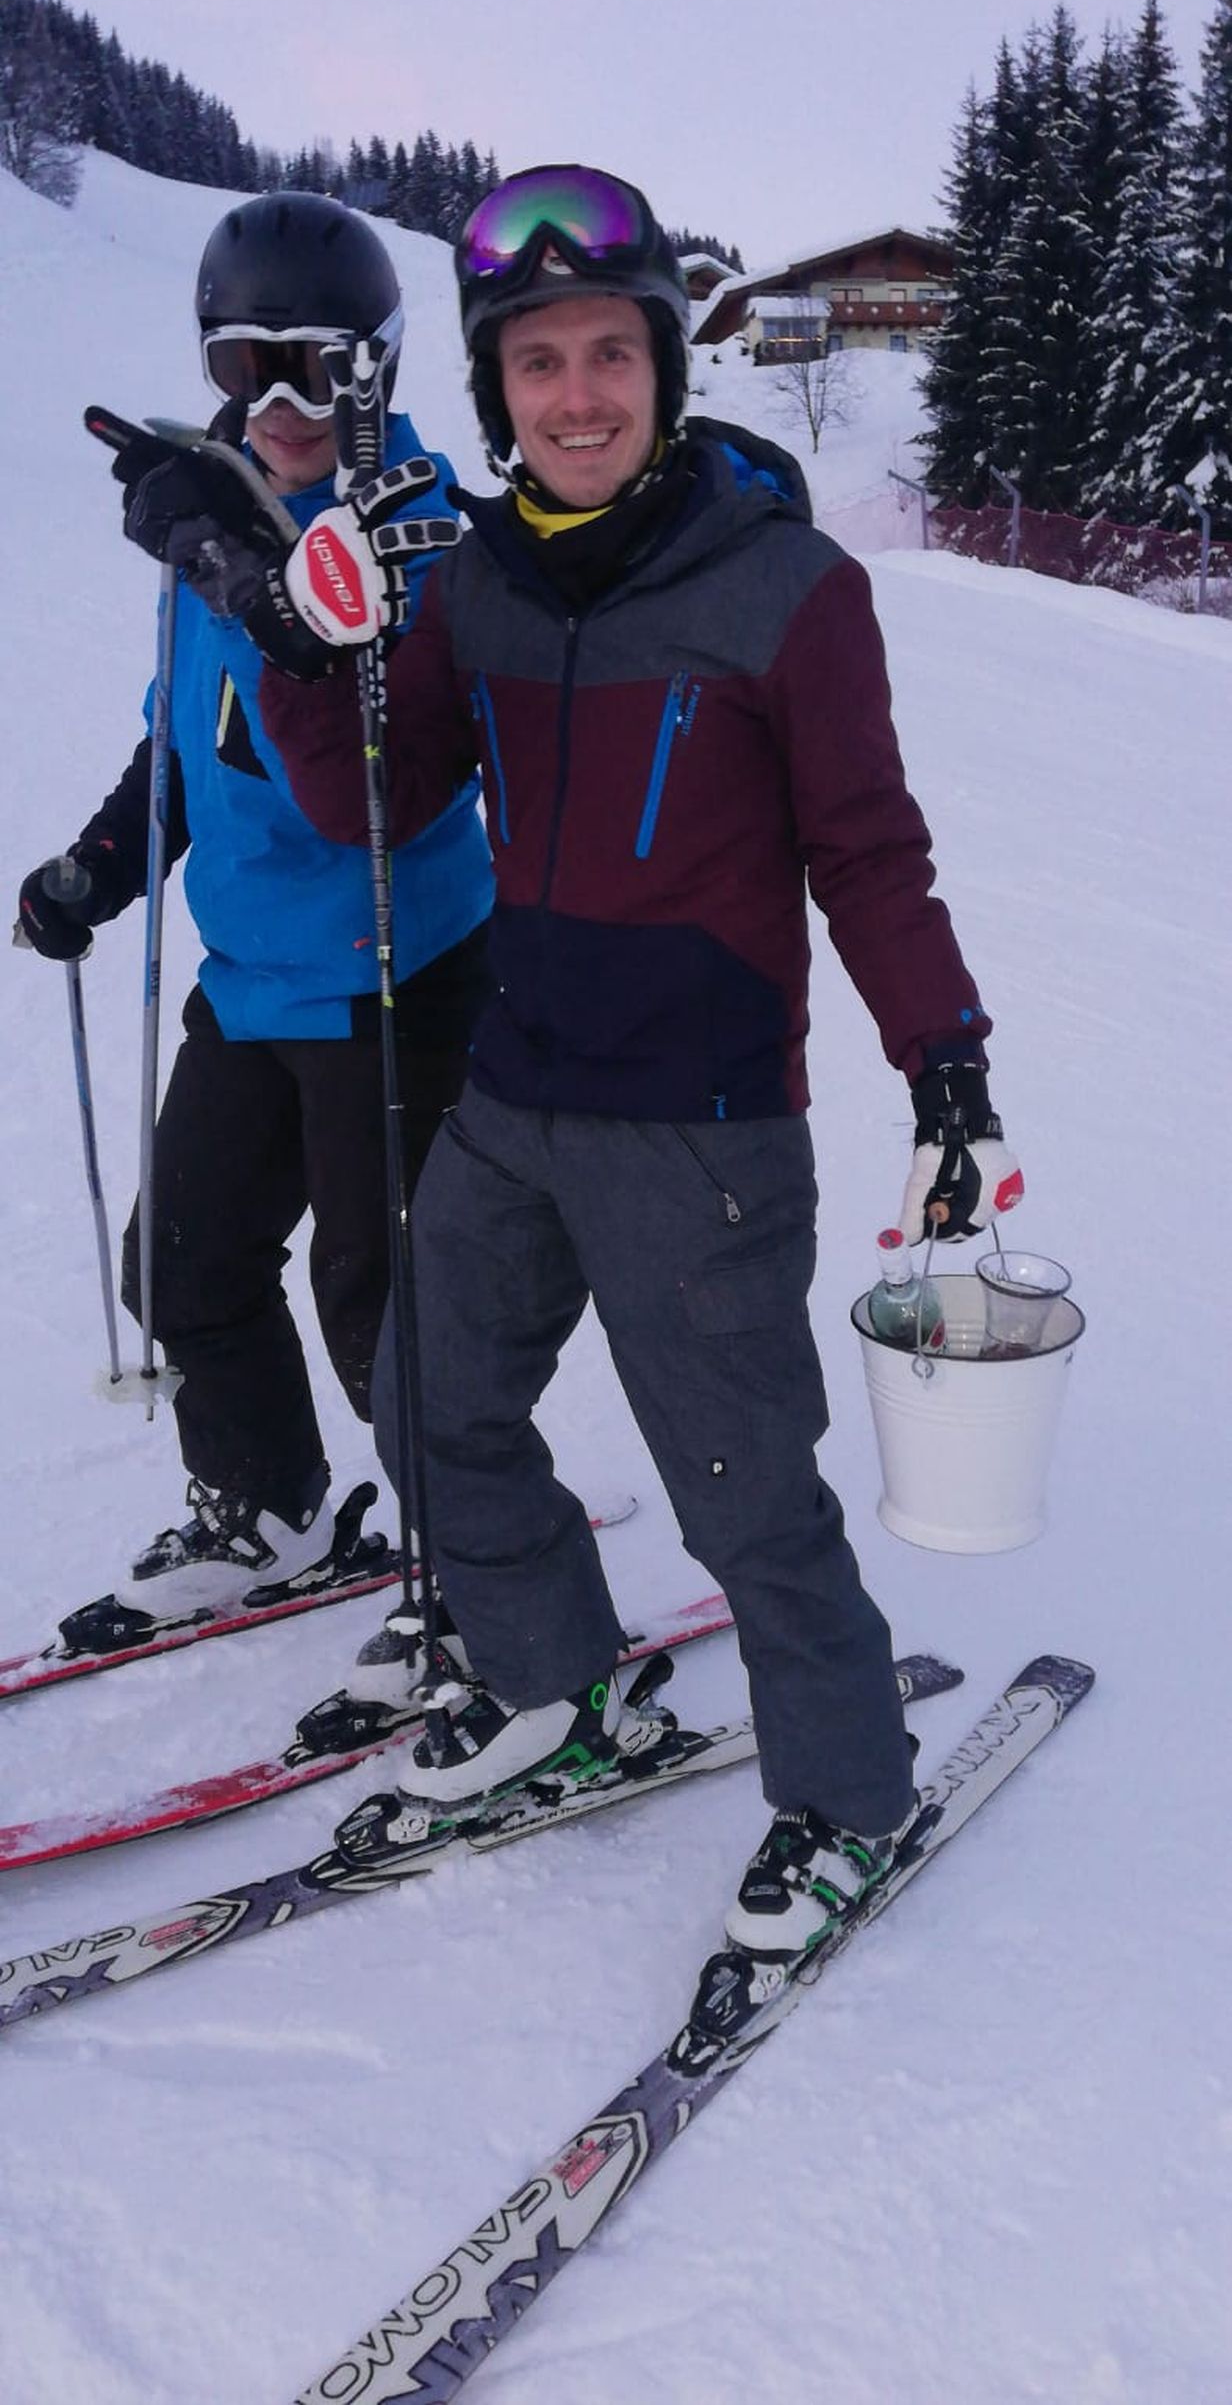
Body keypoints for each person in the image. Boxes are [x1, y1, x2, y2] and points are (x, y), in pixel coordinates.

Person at [127, 164, 1024, 1960]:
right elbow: (375, 804)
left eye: (612, 353)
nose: (579, 395)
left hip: (701, 1133)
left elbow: (870, 852)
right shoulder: (481, 586)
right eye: (537, 363)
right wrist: (284, 627)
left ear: (666, 371)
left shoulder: (788, 591)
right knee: (428, 1402)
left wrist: (944, 1062)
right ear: (495, 390)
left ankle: (851, 1798)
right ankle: (559, 1684)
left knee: (743, 1494)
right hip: (513, 1099)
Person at [15, 192, 492, 1625]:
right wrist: (104, 862)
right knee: (184, 1263)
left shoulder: (420, 536)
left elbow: (374, 785)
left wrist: (236, 573)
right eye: (247, 368)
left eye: (319, 371)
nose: (282, 408)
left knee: (387, 1309)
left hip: (396, 978)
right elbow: (183, 742)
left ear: (378, 368)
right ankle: (268, 1505)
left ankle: (488, 1574)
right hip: (253, 978)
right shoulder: (211, 510)